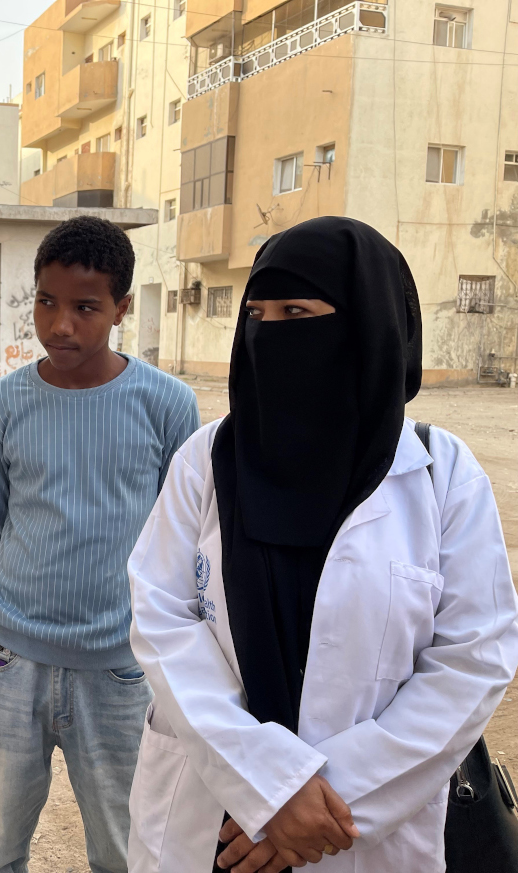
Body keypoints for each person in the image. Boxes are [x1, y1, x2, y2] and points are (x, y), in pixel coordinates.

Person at [126, 216, 518, 873]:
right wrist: (266, 784)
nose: (269, 333)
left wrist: (319, 799)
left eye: (297, 312)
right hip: (213, 827)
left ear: (366, 324)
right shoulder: (209, 460)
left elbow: (475, 653)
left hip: (358, 832)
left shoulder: (442, 474)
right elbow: (163, 619)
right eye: (258, 313)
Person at [0, 216, 201, 873]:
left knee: (126, 852)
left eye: (85, 307)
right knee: (0, 849)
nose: (60, 325)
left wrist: (141, 645)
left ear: (123, 306)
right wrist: (13, 622)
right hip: (10, 668)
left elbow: (181, 543)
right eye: (46, 301)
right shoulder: (2, 407)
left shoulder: (167, 406)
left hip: (123, 674)